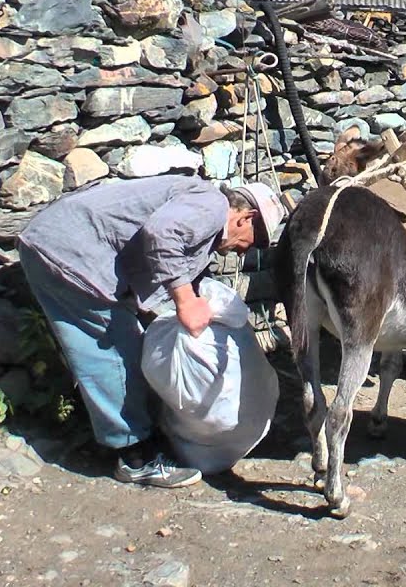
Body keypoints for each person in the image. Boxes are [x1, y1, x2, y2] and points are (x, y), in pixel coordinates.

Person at [16, 175, 287, 488]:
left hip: (57, 245)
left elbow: (178, 260)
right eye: (256, 240)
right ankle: (135, 457)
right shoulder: (211, 204)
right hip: (70, 253)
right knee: (115, 352)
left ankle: (135, 433)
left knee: (117, 345)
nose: (245, 252)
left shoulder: (203, 220)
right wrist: (185, 301)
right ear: (245, 217)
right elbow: (161, 235)